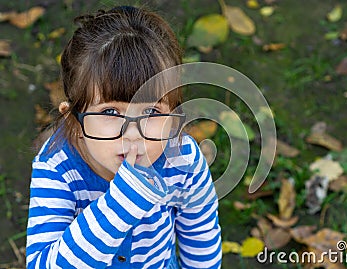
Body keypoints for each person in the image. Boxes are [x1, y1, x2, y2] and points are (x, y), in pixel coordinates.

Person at [26, 6, 221, 269]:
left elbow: (200, 237)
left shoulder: (182, 159)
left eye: (152, 111)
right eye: (110, 111)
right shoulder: (57, 169)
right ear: (73, 119)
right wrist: (120, 204)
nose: (133, 135)